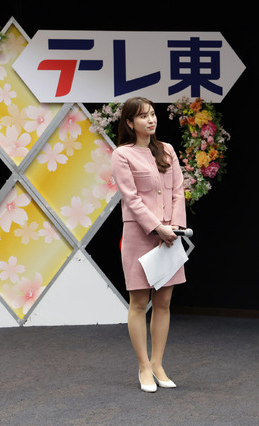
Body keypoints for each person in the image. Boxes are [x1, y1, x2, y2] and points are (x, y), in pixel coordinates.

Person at [111, 97, 187, 393]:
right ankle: (143, 366)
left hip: (170, 235)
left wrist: (175, 227)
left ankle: (158, 364)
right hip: (140, 235)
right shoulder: (122, 154)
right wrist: (157, 227)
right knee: (139, 303)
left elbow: (178, 190)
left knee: (164, 302)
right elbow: (131, 199)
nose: (151, 120)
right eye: (143, 116)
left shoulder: (167, 150)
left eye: (153, 114)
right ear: (130, 123)